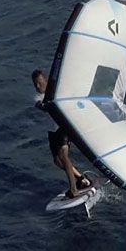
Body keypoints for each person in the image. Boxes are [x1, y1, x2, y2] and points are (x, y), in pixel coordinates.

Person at [33, 68, 95, 199]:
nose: (37, 86)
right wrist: (47, 104)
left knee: (64, 156)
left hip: (63, 128)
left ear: (46, 80)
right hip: (52, 132)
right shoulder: (38, 98)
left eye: (39, 83)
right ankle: (81, 179)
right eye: (35, 84)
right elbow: (42, 107)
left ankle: (74, 188)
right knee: (57, 161)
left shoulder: (56, 92)